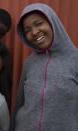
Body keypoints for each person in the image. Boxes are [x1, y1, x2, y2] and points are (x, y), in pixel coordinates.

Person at [10, 3, 78, 131]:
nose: (34, 32)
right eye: (28, 30)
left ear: (52, 22)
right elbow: (20, 101)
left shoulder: (75, 59)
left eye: (38, 24)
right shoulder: (29, 62)